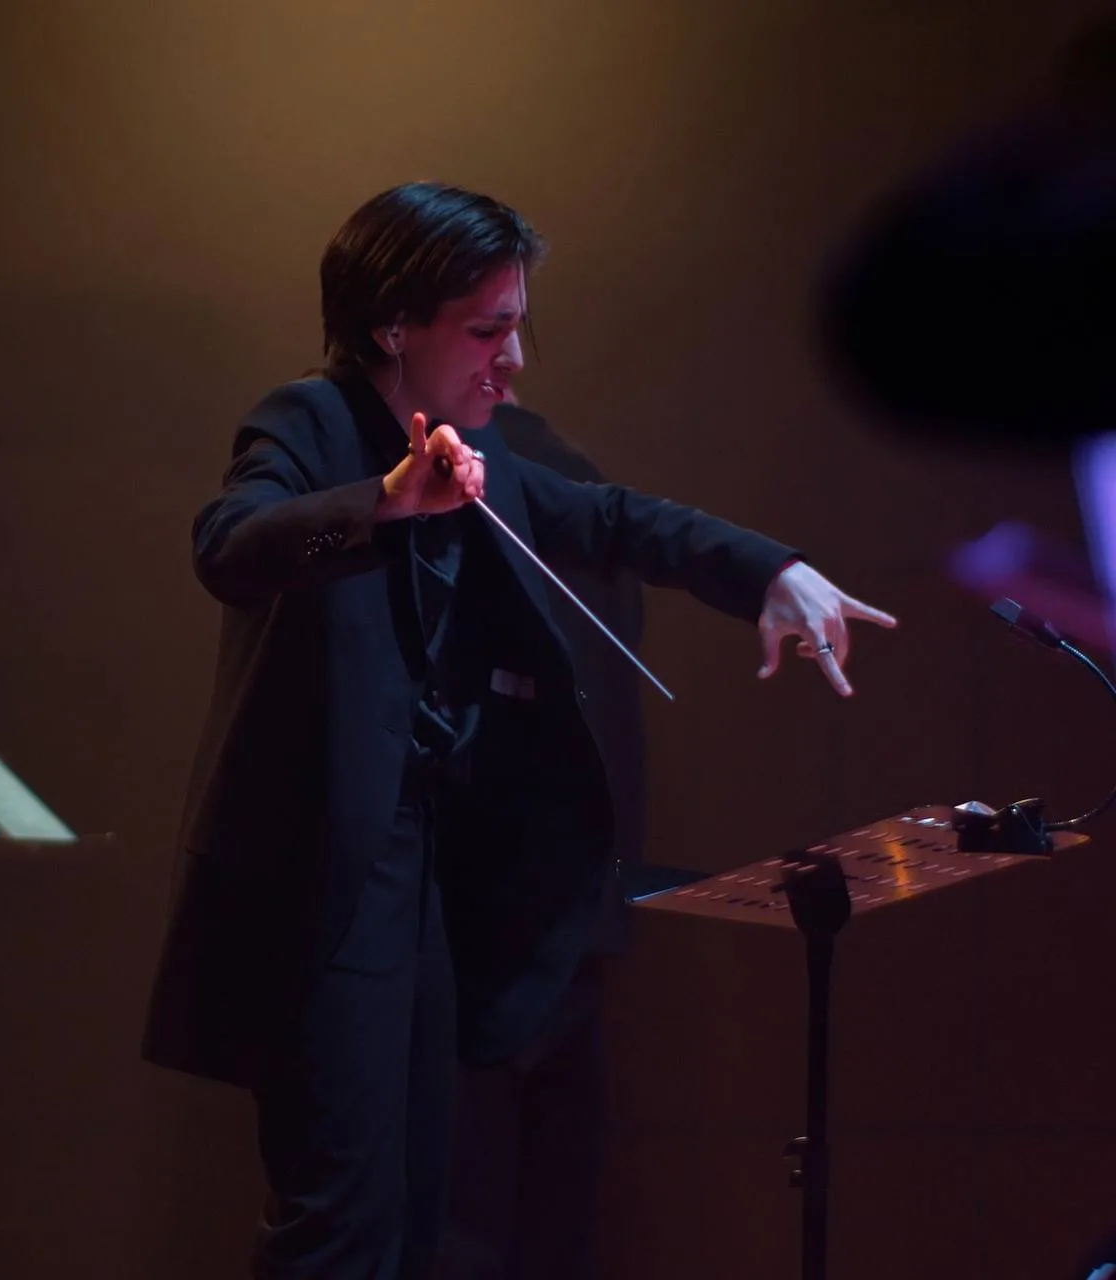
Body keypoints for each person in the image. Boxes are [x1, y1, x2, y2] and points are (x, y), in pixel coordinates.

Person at [140, 180, 898, 1280]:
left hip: (424, 883)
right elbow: (229, 545)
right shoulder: (310, 422)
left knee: (419, 1214)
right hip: (324, 889)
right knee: (338, 1218)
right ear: (393, 327)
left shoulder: (476, 456)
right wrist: (386, 499)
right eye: (487, 331)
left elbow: (620, 520)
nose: (514, 361)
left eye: (517, 328)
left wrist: (772, 572)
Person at [435, 395, 646, 1280]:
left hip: (473, 920)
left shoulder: (464, 480)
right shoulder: (580, 473)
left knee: (455, 1223)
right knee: (554, 1227)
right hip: (578, 916)